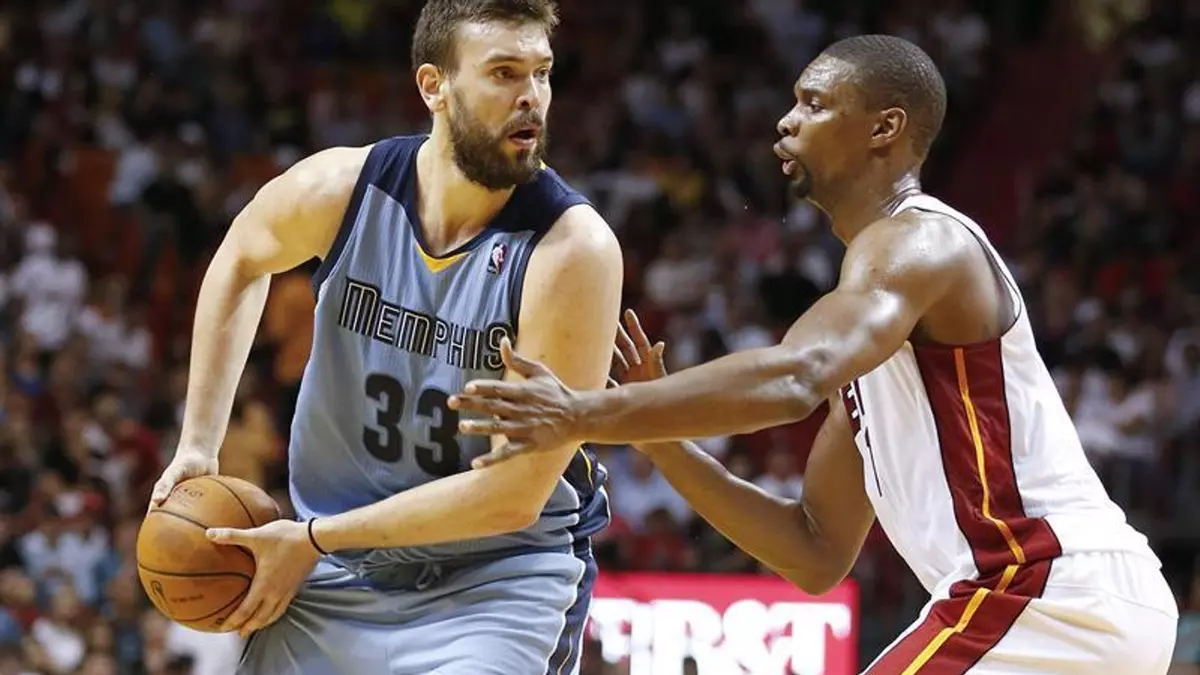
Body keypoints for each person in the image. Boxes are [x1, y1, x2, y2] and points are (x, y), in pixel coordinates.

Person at [449, 35, 1179, 673]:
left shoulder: (919, 241)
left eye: (815, 103)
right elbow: (814, 551)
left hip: (1043, 588)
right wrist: (657, 439)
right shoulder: (876, 339)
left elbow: (796, 373)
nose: (786, 119)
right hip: (1080, 603)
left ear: (884, 128)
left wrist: (585, 413)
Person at [146, 0, 622, 673]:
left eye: (541, 73)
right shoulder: (342, 190)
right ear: (434, 86)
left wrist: (314, 538)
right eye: (504, 73)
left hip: (496, 583)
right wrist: (199, 442)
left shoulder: (571, 251)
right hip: (339, 565)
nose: (531, 97)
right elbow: (241, 260)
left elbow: (513, 494)